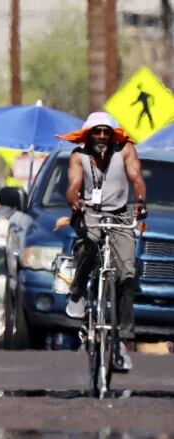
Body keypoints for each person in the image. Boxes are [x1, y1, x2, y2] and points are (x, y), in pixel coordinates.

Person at [57, 112, 147, 372]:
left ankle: (121, 342)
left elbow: (137, 179)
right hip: (89, 213)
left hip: (120, 216)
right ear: (88, 135)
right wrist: (74, 199)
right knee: (88, 244)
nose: (102, 137)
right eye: (97, 132)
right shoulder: (79, 156)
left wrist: (140, 201)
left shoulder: (125, 151)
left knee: (128, 274)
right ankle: (76, 293)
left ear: (112, 135)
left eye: (107, 132)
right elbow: (73, 186)